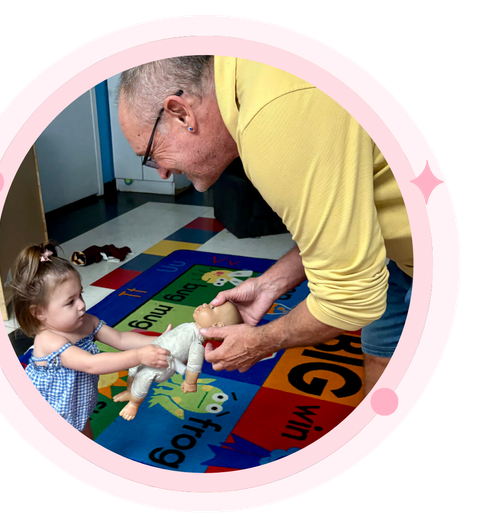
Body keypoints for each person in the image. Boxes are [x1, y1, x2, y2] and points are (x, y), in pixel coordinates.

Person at [116, 56, 413, 395]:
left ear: (181, 113)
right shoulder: (254, 73)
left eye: (151, 154)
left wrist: (262, 341)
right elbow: (340, 221)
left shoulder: (274, 119)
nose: (162, 173)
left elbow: (349, 300)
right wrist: (271, 284)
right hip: (398, 243)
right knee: (383, 350)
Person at [10, 242, 171, 439]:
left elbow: (121, 339)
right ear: (39, 312)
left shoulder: (86, 322)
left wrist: (162, 340)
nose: (81, 305)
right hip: (49, 416)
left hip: (76, 407)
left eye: (80, 295)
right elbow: (91, 364)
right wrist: (139, 356)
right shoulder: (49, 341)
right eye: (70, 302)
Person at [113, 302, 243, 421]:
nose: (205, 304)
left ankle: (133, 404)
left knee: (143, 375)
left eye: (212, 308)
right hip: (151, 352)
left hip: (162, 364)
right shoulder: (188, 326)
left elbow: (194, 365)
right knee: (133, 366)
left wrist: (190, 382)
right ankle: (130, 391)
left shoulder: (197, 344)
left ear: (216, 326)